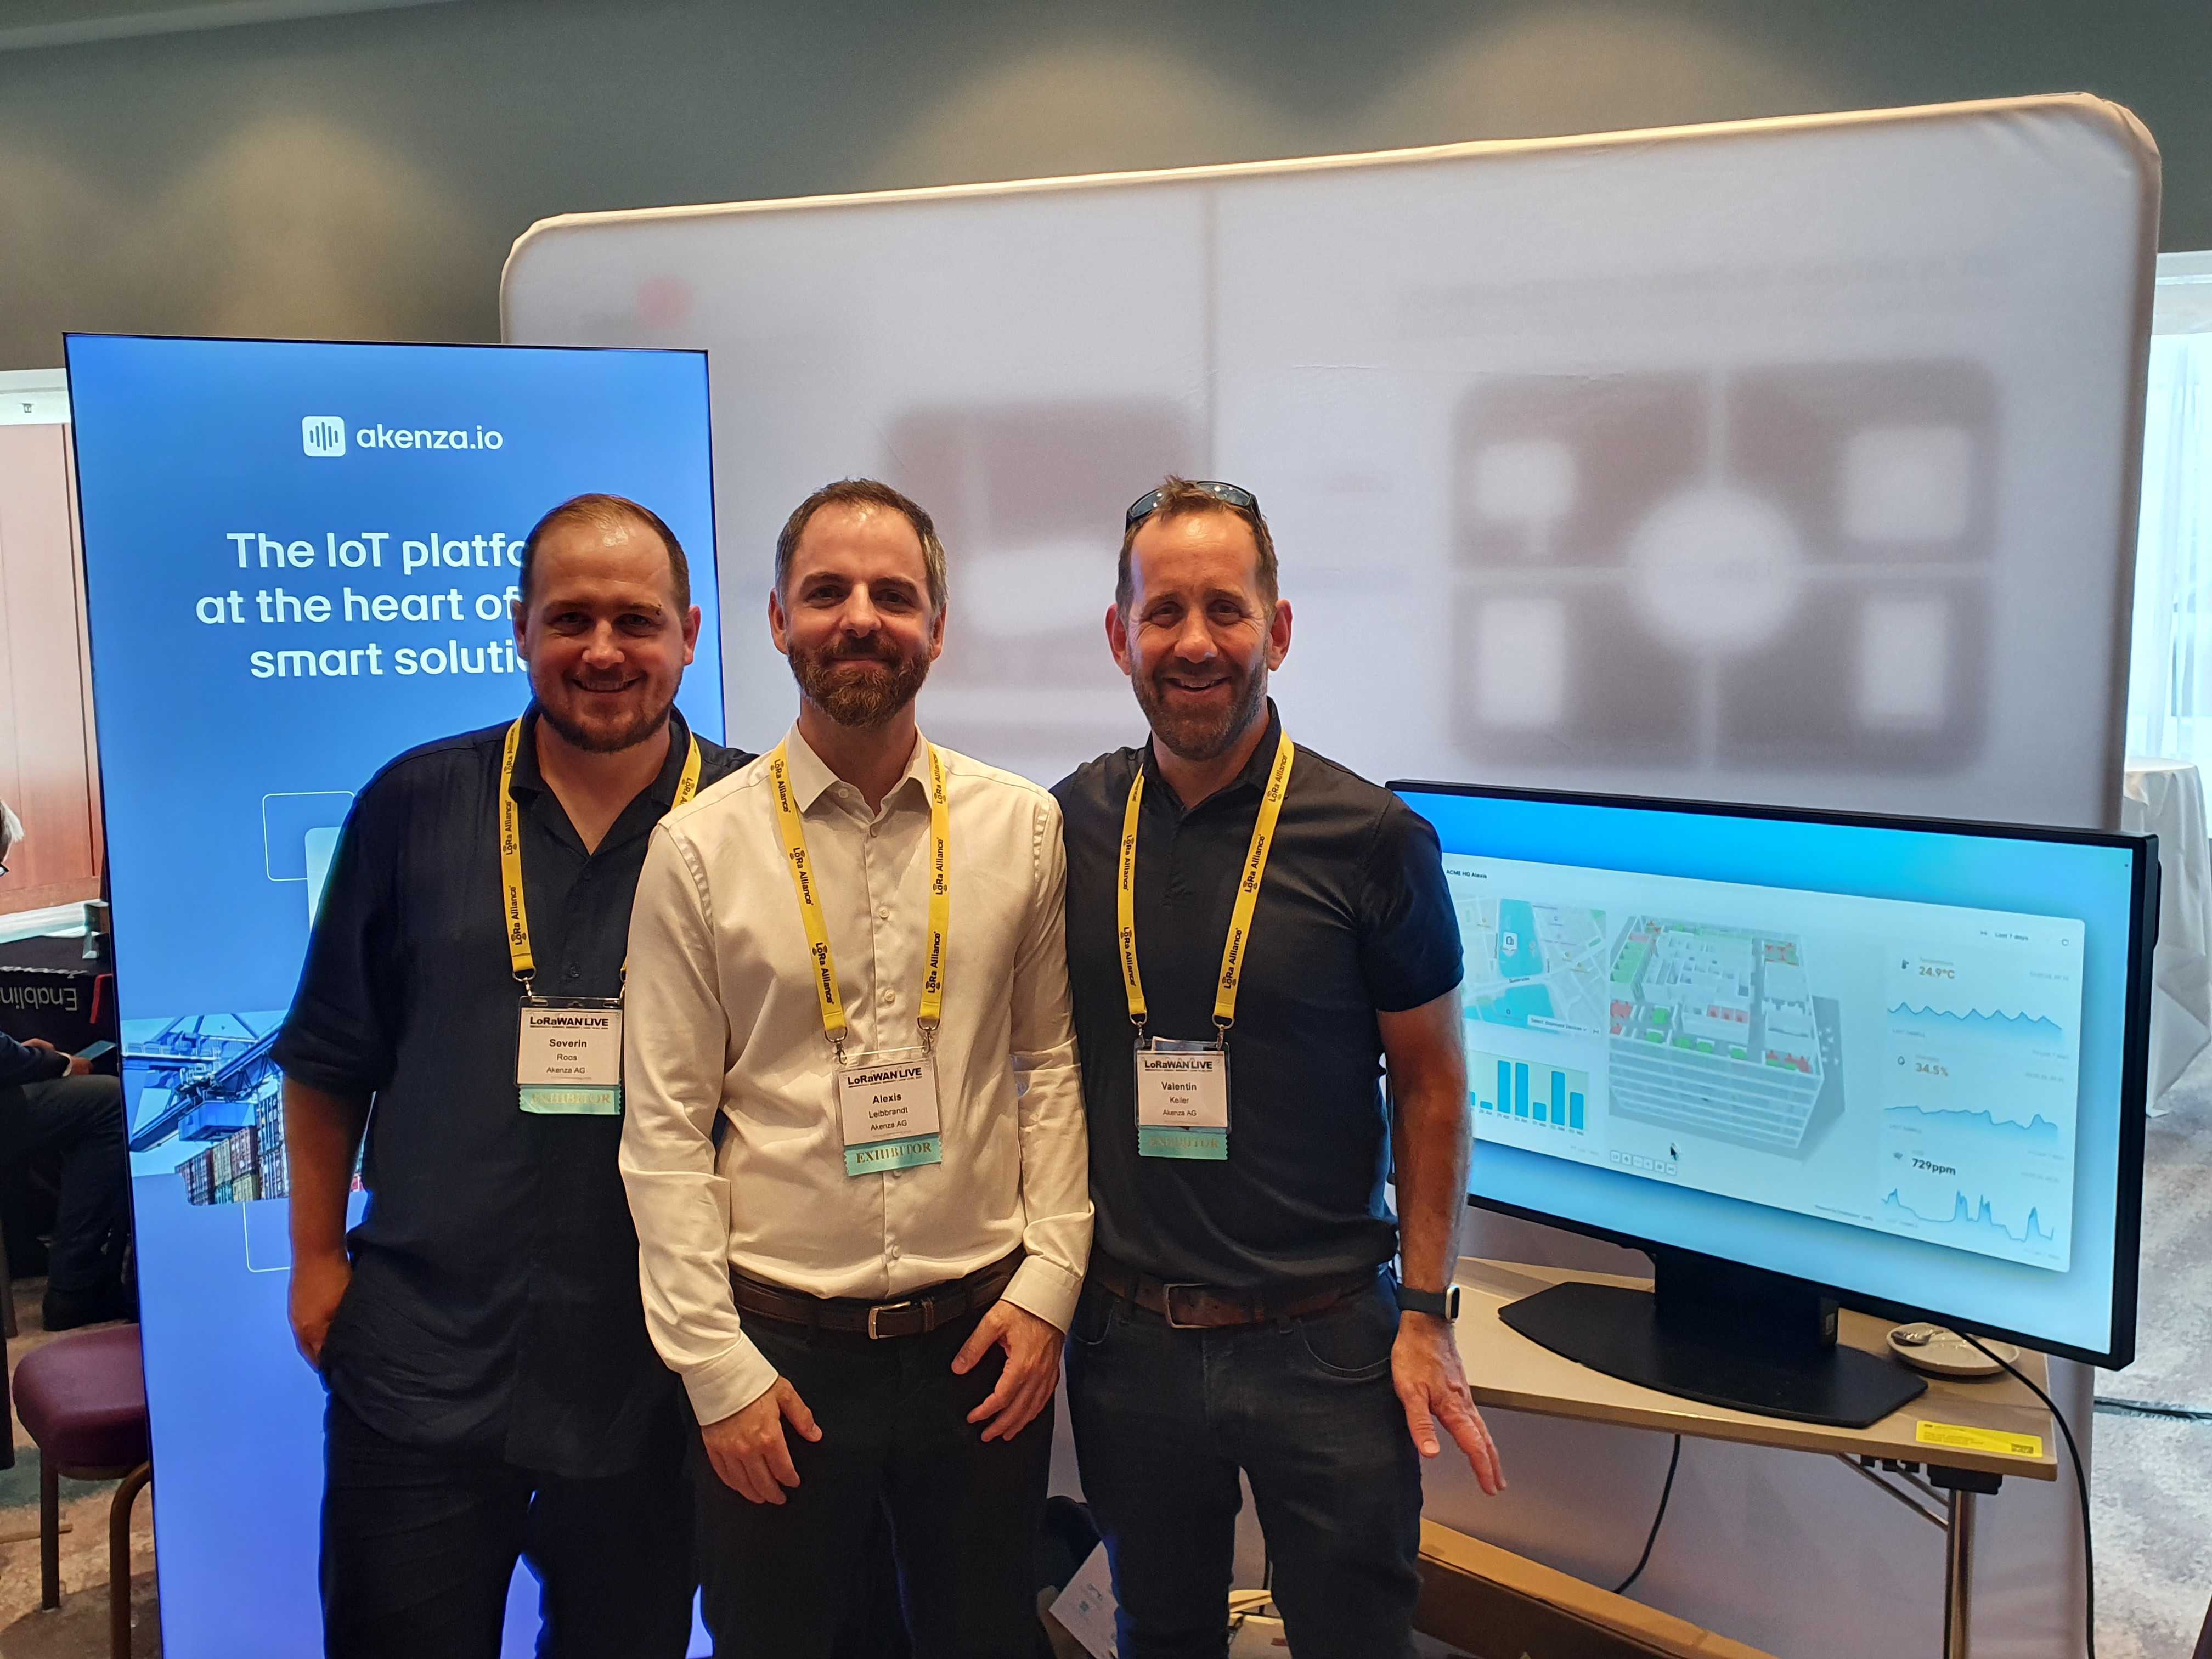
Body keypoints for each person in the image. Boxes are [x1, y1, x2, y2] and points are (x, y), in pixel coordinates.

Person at [620, 477, 1090, 1659]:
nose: (861, 618)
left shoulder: (1021, 827)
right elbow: (665, 1132)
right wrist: (715, 1369)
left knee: (985, 1640)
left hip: (981, 1348)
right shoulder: (696, 850)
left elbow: (1050, 1065)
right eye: (828, 592)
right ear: (780, 618)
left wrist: (1050, 1285)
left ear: (938, 624)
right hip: (777, 1357)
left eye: (894, 593)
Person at [273, 494, 747, 1659]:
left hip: (656, 1373)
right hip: (425, 1358)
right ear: (519, 627)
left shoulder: (753, 823)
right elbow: (330, 1054)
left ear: (690, 633)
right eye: (569, 618)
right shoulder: (414, 805)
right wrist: (316, 1260)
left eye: (636, 620)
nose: (603, 651)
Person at [1052, 477, 1506, 1659]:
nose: (1195, 643)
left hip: (1328, 1344)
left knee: (1356, 1639)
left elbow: (1434, 1083)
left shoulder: (1375, 841)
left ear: (1279, 629)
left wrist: (1427, 1314)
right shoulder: (1070, 824)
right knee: (1159, 1636)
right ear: (1121, 637)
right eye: (1163, 612)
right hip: (1130, 1340)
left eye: (1226, 608)